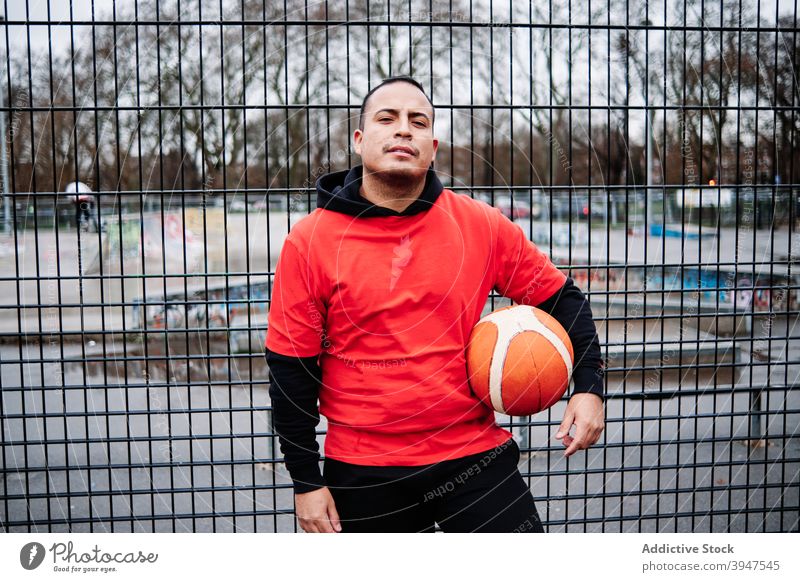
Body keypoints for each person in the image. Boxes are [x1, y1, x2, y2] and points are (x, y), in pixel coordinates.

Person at [264, 76, 605, 533]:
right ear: (360, 140)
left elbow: (563, 298)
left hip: (473, 458)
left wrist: (588, 388)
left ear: (433, 146)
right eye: (387, 118)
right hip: (364, 469)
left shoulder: (481, 225)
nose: (403, 129)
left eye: (417, 121)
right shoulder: (310, 242)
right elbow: (292, 370)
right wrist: (305, 481)